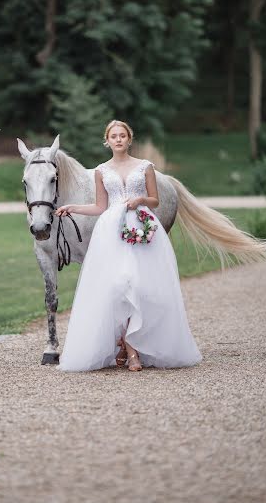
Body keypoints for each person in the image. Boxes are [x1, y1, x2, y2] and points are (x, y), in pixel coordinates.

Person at [54, 120, 202, 372]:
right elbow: (100, 207)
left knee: (141, 286)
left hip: (142, 227)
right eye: (114, 136)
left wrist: (141, 199)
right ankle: (130, 350)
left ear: (129, 139)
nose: (119, 139)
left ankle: (131, 342)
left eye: (123, 135)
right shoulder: (101, 171)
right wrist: (73, 208)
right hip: (110, 231)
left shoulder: (145, 167)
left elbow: (154, 200)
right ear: (107, 140)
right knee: (117, 285)